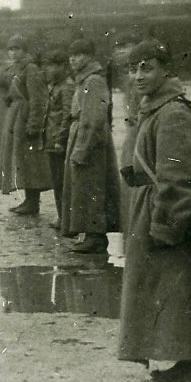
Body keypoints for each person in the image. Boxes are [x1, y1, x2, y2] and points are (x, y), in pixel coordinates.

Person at [118, 38, 191, 382]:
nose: (138, 76)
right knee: (168, 294)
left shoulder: (172, 113)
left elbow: (181, 176)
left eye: (147, 68)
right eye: (133, 69)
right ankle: (183, 364)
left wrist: (167, 224)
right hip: (152, 208)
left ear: (165, 71)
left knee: (182, 294)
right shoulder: (154, 107)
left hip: (168, 213)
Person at [59, 38, 120, 253]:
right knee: (83, 187)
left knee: (93, 186)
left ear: (90, 56)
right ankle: (90, 233)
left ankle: (96, 235)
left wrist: (82, 148)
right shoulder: (84, 80)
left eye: (79, 54)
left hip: (91, 141)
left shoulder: (93, 81)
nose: (73, 59)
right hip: (82, 134)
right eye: (71, 55)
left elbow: (94, 119)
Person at [0, 36, 52, 216]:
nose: (13, 52)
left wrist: (34, 125)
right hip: (16, 117)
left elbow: (37, 99)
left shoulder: (31, 69)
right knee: (21, 159)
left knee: (31, 161)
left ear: (24, 50)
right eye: (10, 49)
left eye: (17, 49)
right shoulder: (15, 69)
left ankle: (33, 202)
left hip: (25, 118)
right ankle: (28, 200)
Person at [42, 48, 73, 228]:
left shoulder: (67, 86)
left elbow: (67, 115)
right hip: (52, 139)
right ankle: (62, 217)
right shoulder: (54, 85)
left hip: (59, 141)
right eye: (48, 66)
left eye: (54, 66)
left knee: (63, 181)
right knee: (57, 180)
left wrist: (60, 139)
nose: (50, 70)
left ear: (63, 67)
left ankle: (66, 219)